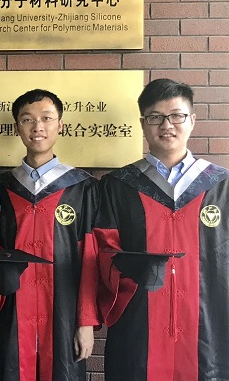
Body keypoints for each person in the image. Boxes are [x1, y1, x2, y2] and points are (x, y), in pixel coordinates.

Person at [94, 78, 229, 380]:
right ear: (143, 123)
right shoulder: (117, 186)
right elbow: (102, 252)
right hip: (138, 322)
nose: (167, 125)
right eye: (155, 117)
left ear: (192, 120)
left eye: (176, 116)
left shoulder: (221, 185)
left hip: (208, 323)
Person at [0, 89, 99, 381]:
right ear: (17, 127)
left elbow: (91, 255)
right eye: (27, 120)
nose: (38, 127)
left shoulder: (82, 187)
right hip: (12, 307)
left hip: (64, 310)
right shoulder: (1, 187)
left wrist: (85, 321)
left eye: (47, 118)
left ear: (60, 125)